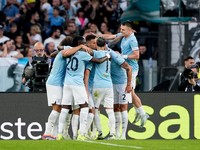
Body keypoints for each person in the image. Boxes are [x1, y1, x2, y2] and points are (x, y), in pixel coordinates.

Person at [95, 20, 149, 127]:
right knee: (130, 92)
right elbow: (111, 36)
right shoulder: (124, 35)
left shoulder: (132, 40)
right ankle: (139, 110)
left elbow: (137, 56)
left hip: (131, 68)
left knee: (130, 91)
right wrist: (97, 36)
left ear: (130, 30)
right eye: (121, 29)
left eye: (123, 29)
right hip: (124, 67)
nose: (121, 31)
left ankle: (142, 113)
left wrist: (122, 56)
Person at [56, 36, 110, 141]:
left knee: (65, 108)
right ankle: (81, 134)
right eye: (83, 43)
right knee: (85, 107)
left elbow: (60, 49)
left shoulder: (68, 52)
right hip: (78, 85)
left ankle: (59, 134)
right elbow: (98, 61)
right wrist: (107, 56)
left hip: (67, 84)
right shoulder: (83, 54)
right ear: (80, 44)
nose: (85, 45)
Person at [42, 36, 73, 140]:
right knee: (57, 109)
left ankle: (53, 135)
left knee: (58, 110)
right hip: (55, 83)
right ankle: (46, 133)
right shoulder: (66, 50)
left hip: (55, 82)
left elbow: (53, 54)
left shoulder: (62, 52)